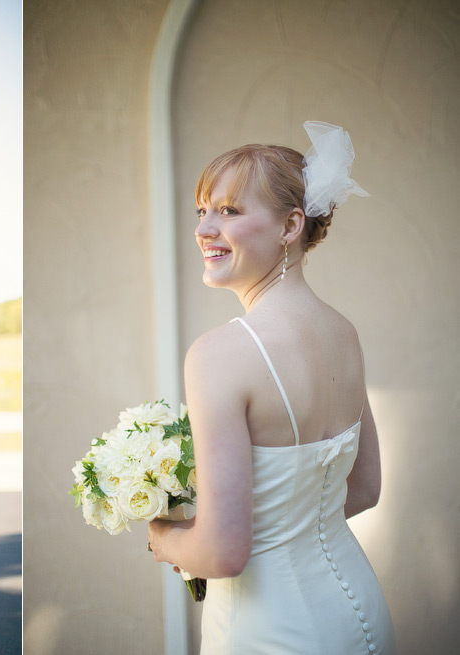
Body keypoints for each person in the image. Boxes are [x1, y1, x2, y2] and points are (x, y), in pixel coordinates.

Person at [147, 122, 395, 654]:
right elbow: (365, 488)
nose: (204, 229)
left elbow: (222, 553)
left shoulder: (219, 354)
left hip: (272, 630)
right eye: (203, 210)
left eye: (230, 211)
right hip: (361, 615)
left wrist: (162, 535)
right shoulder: (344, 334)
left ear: (290, 226)